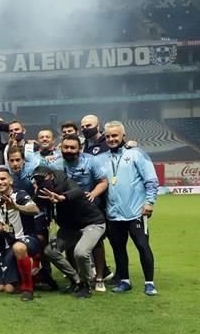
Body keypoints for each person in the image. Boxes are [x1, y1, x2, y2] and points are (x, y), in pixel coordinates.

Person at [102, 121, 159, 295]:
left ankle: (149, 282)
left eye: (115, 136)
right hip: (113, 214)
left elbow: (151, 179)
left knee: (142, 246)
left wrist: (149, 202)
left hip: (136, 212)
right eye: (108, 136)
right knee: (119, 248)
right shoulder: (102, 159)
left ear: (123, 137)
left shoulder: (136, 153)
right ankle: (125, 280)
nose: (111, 139)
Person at [33, 166, 105, 298]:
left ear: (51, 176)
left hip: (92, 223)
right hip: (70, 227)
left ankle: (86, 284)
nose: (40, 182)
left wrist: (62, 197)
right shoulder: (42, 192)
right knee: (50, 251)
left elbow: (77, 192)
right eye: (37, 180)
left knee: (81, 252)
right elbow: (36, 207)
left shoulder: (66, 182)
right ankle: (76, 279)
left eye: (42, 178)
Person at [0, 168, 41, 301]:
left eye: (3, 179)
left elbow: (35, 209)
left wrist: (17, 207)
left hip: (28, 238)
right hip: (11, 243)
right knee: (8, 289)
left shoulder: (20, 194)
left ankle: (28, 289)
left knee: (19, 247)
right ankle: (37, 275)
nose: (0, 182)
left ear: (10, 181)